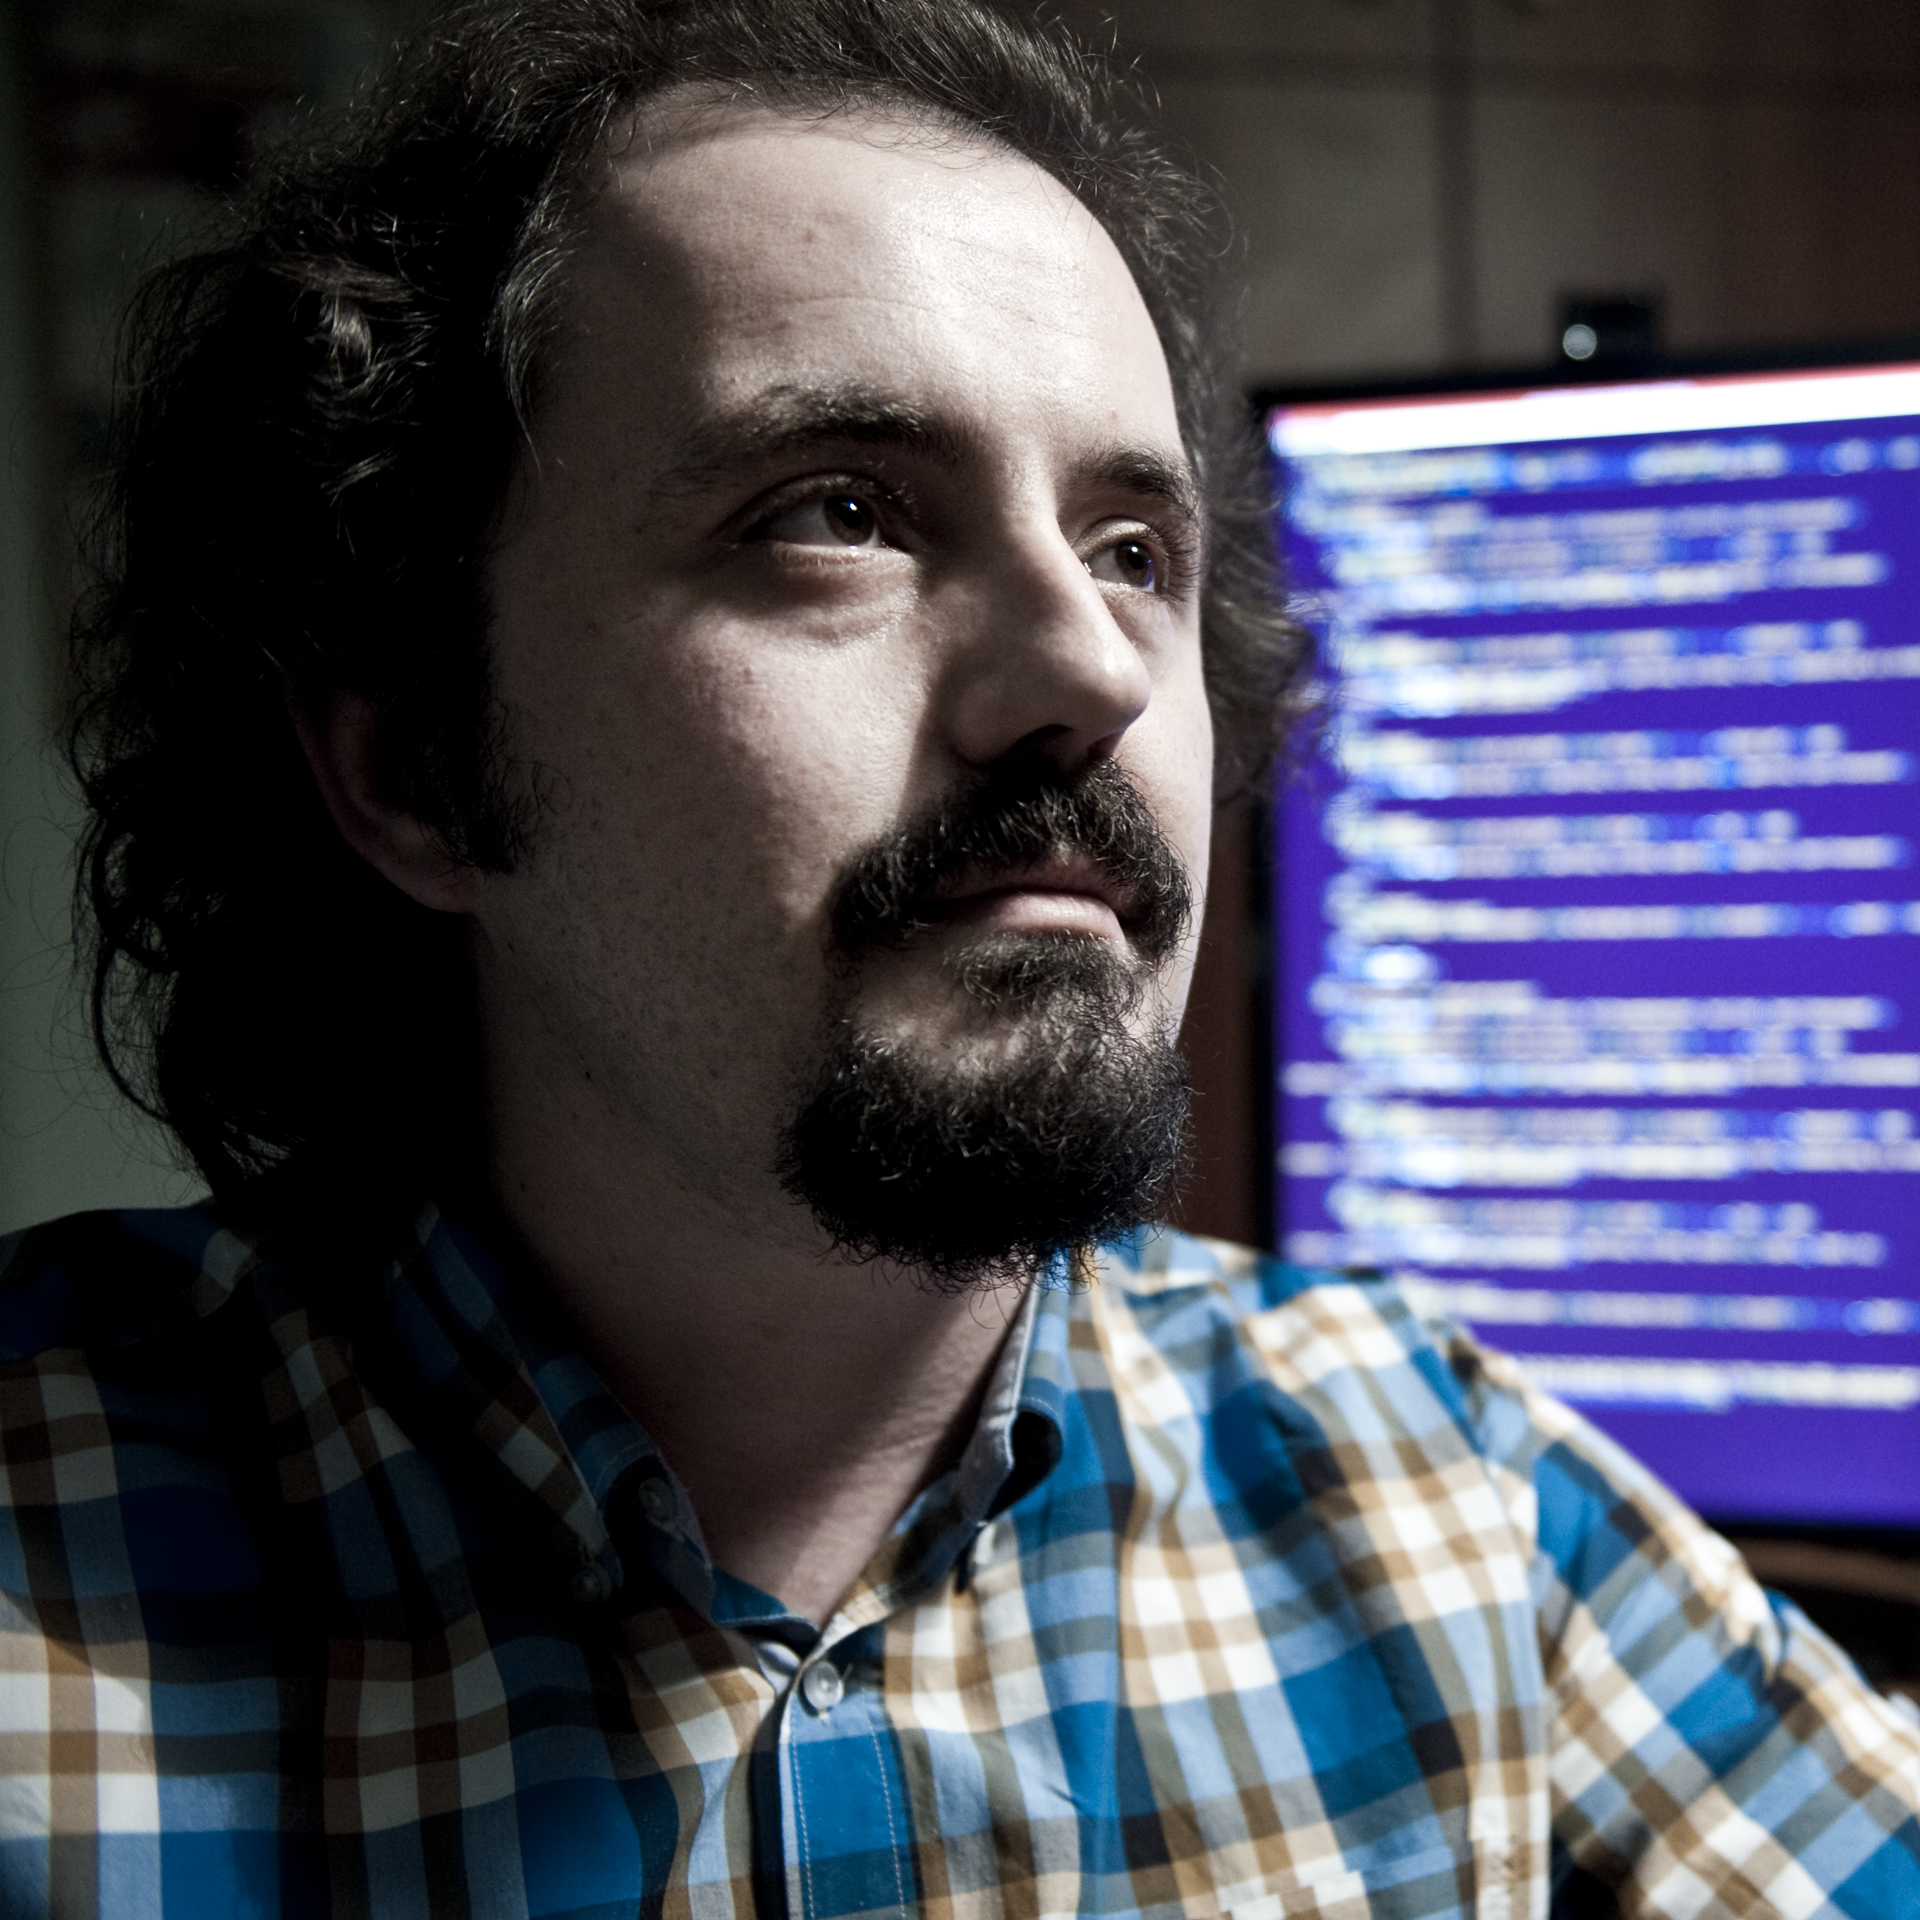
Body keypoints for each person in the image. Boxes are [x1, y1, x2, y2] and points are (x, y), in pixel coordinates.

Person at [4, 1, 1917, 1914]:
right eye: (838, 513)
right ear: (415, 765)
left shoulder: (1451, 1505)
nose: (1090, 665)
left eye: (1134, 549)